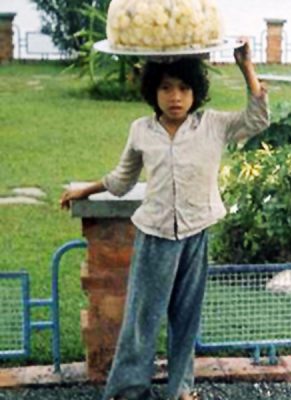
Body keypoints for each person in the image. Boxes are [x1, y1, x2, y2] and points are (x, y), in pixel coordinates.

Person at [60, 41, 269, 400]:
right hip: (154, 236)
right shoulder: (142, 130)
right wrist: (87, 190)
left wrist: (246, 66)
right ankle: (127, 389)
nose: (176, 97)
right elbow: (122, 179)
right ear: (153, 91)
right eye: (166, 87)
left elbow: (258, 118)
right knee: (143, 318)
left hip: (195, 233)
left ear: (196, 93)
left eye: (184, 88)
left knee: (186, 319)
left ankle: (181, 390)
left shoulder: (212, 125)